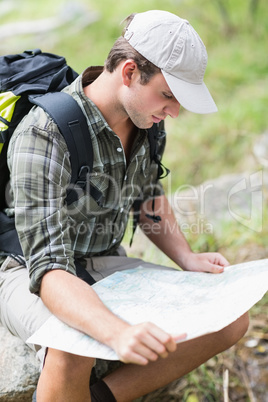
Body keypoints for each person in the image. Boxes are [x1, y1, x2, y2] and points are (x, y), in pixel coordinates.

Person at [0, 10, 248, 402]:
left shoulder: (147, 119)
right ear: (130, 72)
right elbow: (49, 270)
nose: (174, 112)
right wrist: (116, 331)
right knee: (76, 344)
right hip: (28, 268)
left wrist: (186, 257)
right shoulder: (44, 134)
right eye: (168, 95)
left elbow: (147, 195)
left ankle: (99, 398)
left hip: (104, 259)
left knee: (231, 313)